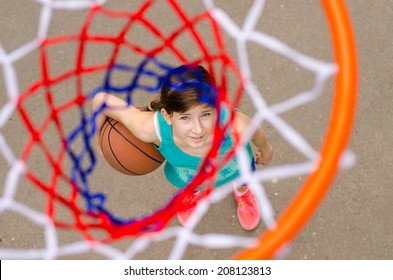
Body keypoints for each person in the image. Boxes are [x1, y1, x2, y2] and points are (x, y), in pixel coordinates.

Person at [92, 64, 273, 230]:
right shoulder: (148, 129)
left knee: (243, 178)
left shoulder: (234, 127)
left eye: (206, 114)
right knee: (193, 185)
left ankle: (243, 193)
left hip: (234, 167)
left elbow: (257, 133)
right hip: (191, 175)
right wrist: (98, 139)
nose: (198, 128)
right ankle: (193, 196)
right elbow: (101, 100)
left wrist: (266, 151)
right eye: (185, 117)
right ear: (168, 116)